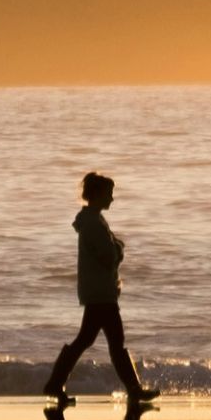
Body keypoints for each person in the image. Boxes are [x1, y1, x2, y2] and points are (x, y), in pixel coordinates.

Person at [42, 171, 159, 403]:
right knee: (114, 341)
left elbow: (108, 251)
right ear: (96, 195)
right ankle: (134, 390)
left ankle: (55, 384)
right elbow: (109, 256)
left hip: (97, 292)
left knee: (87, 340)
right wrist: (119, 249)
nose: (112, 199)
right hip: (101, 294)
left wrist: (115, 247)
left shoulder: (93, 221)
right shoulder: (94, 224)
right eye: (109, 194)